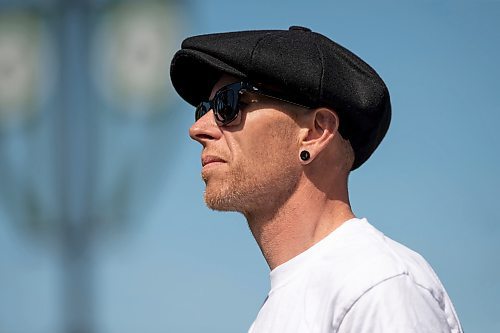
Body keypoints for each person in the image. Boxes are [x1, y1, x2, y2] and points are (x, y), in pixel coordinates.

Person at [170, 26, 463, 333]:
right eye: (203, 109)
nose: (198, 129)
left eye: (227, 105)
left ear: (315, 132)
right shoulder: (283, 308)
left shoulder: (375, 287)